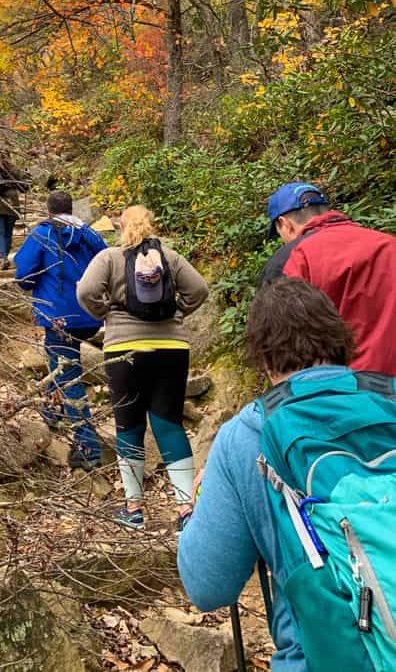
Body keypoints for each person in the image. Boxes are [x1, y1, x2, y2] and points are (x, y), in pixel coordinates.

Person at [177, 277, 362, 672]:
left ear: (262, 359)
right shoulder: (389, 405)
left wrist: (198, 505)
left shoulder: (247, 436)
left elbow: (208, 587)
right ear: (341, 341)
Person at [76, 205, 209, 530]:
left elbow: (86, 291)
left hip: (124, 349)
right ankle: (185, 510)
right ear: (152, 225)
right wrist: (177, 312)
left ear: (121, 227)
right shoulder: (170, 257)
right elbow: (200, 290)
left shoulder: (109, 258)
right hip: (171, 348)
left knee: (129, 425)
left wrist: (105, 313)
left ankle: (134, 509)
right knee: (169, 424)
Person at [258, 181, 396, 374]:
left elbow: (281, 344)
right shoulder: (388, 243)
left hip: (347, 392)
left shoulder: (293, 259)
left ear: (285, 224)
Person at [14, 189, 107, 470]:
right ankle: (51, 413)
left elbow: (24, 274)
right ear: (72, 209)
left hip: (59, 317)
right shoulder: (90, 234)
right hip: (91, 315)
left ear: (49, 211)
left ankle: (88, 448)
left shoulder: (43, 233)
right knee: (59, 364)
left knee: (68, 376)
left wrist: (38, 288)